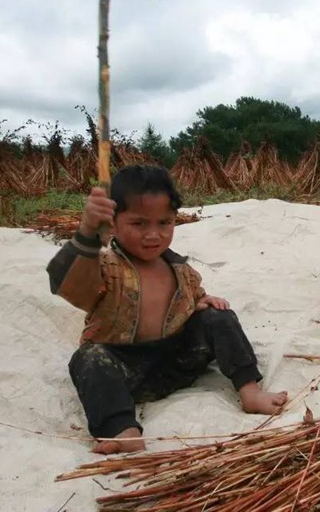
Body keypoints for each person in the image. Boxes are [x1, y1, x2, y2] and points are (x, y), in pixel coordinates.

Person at [47, 165, 287, 454]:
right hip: (125, 369)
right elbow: (67, 284)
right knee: (88, 358)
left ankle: (250, 391)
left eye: (164, 223)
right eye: (139, 224)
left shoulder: (179, 268)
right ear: (112, 224)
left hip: (178, 362)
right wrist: (87, 233)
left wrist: (202, 303)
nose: (154, 234)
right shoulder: (104, 267)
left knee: (219, 315)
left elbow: (192, 296)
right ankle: (123, 429)